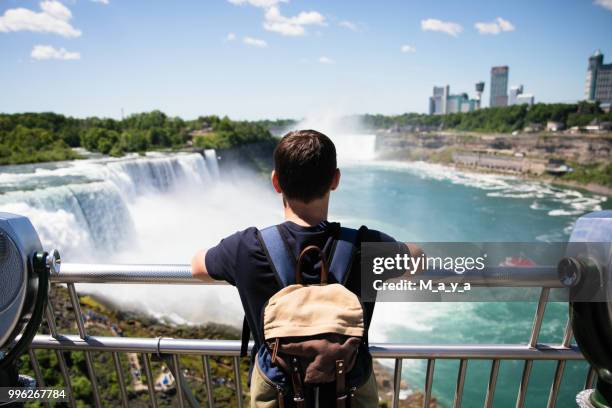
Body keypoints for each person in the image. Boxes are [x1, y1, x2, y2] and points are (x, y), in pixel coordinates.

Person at [191, 129, 420, 407]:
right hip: (346, 396)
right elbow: (417, 259)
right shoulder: (366, 245)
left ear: (276, 182)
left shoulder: (245, 247)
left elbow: (197, 266)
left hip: (281, 396)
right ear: (335, 180)